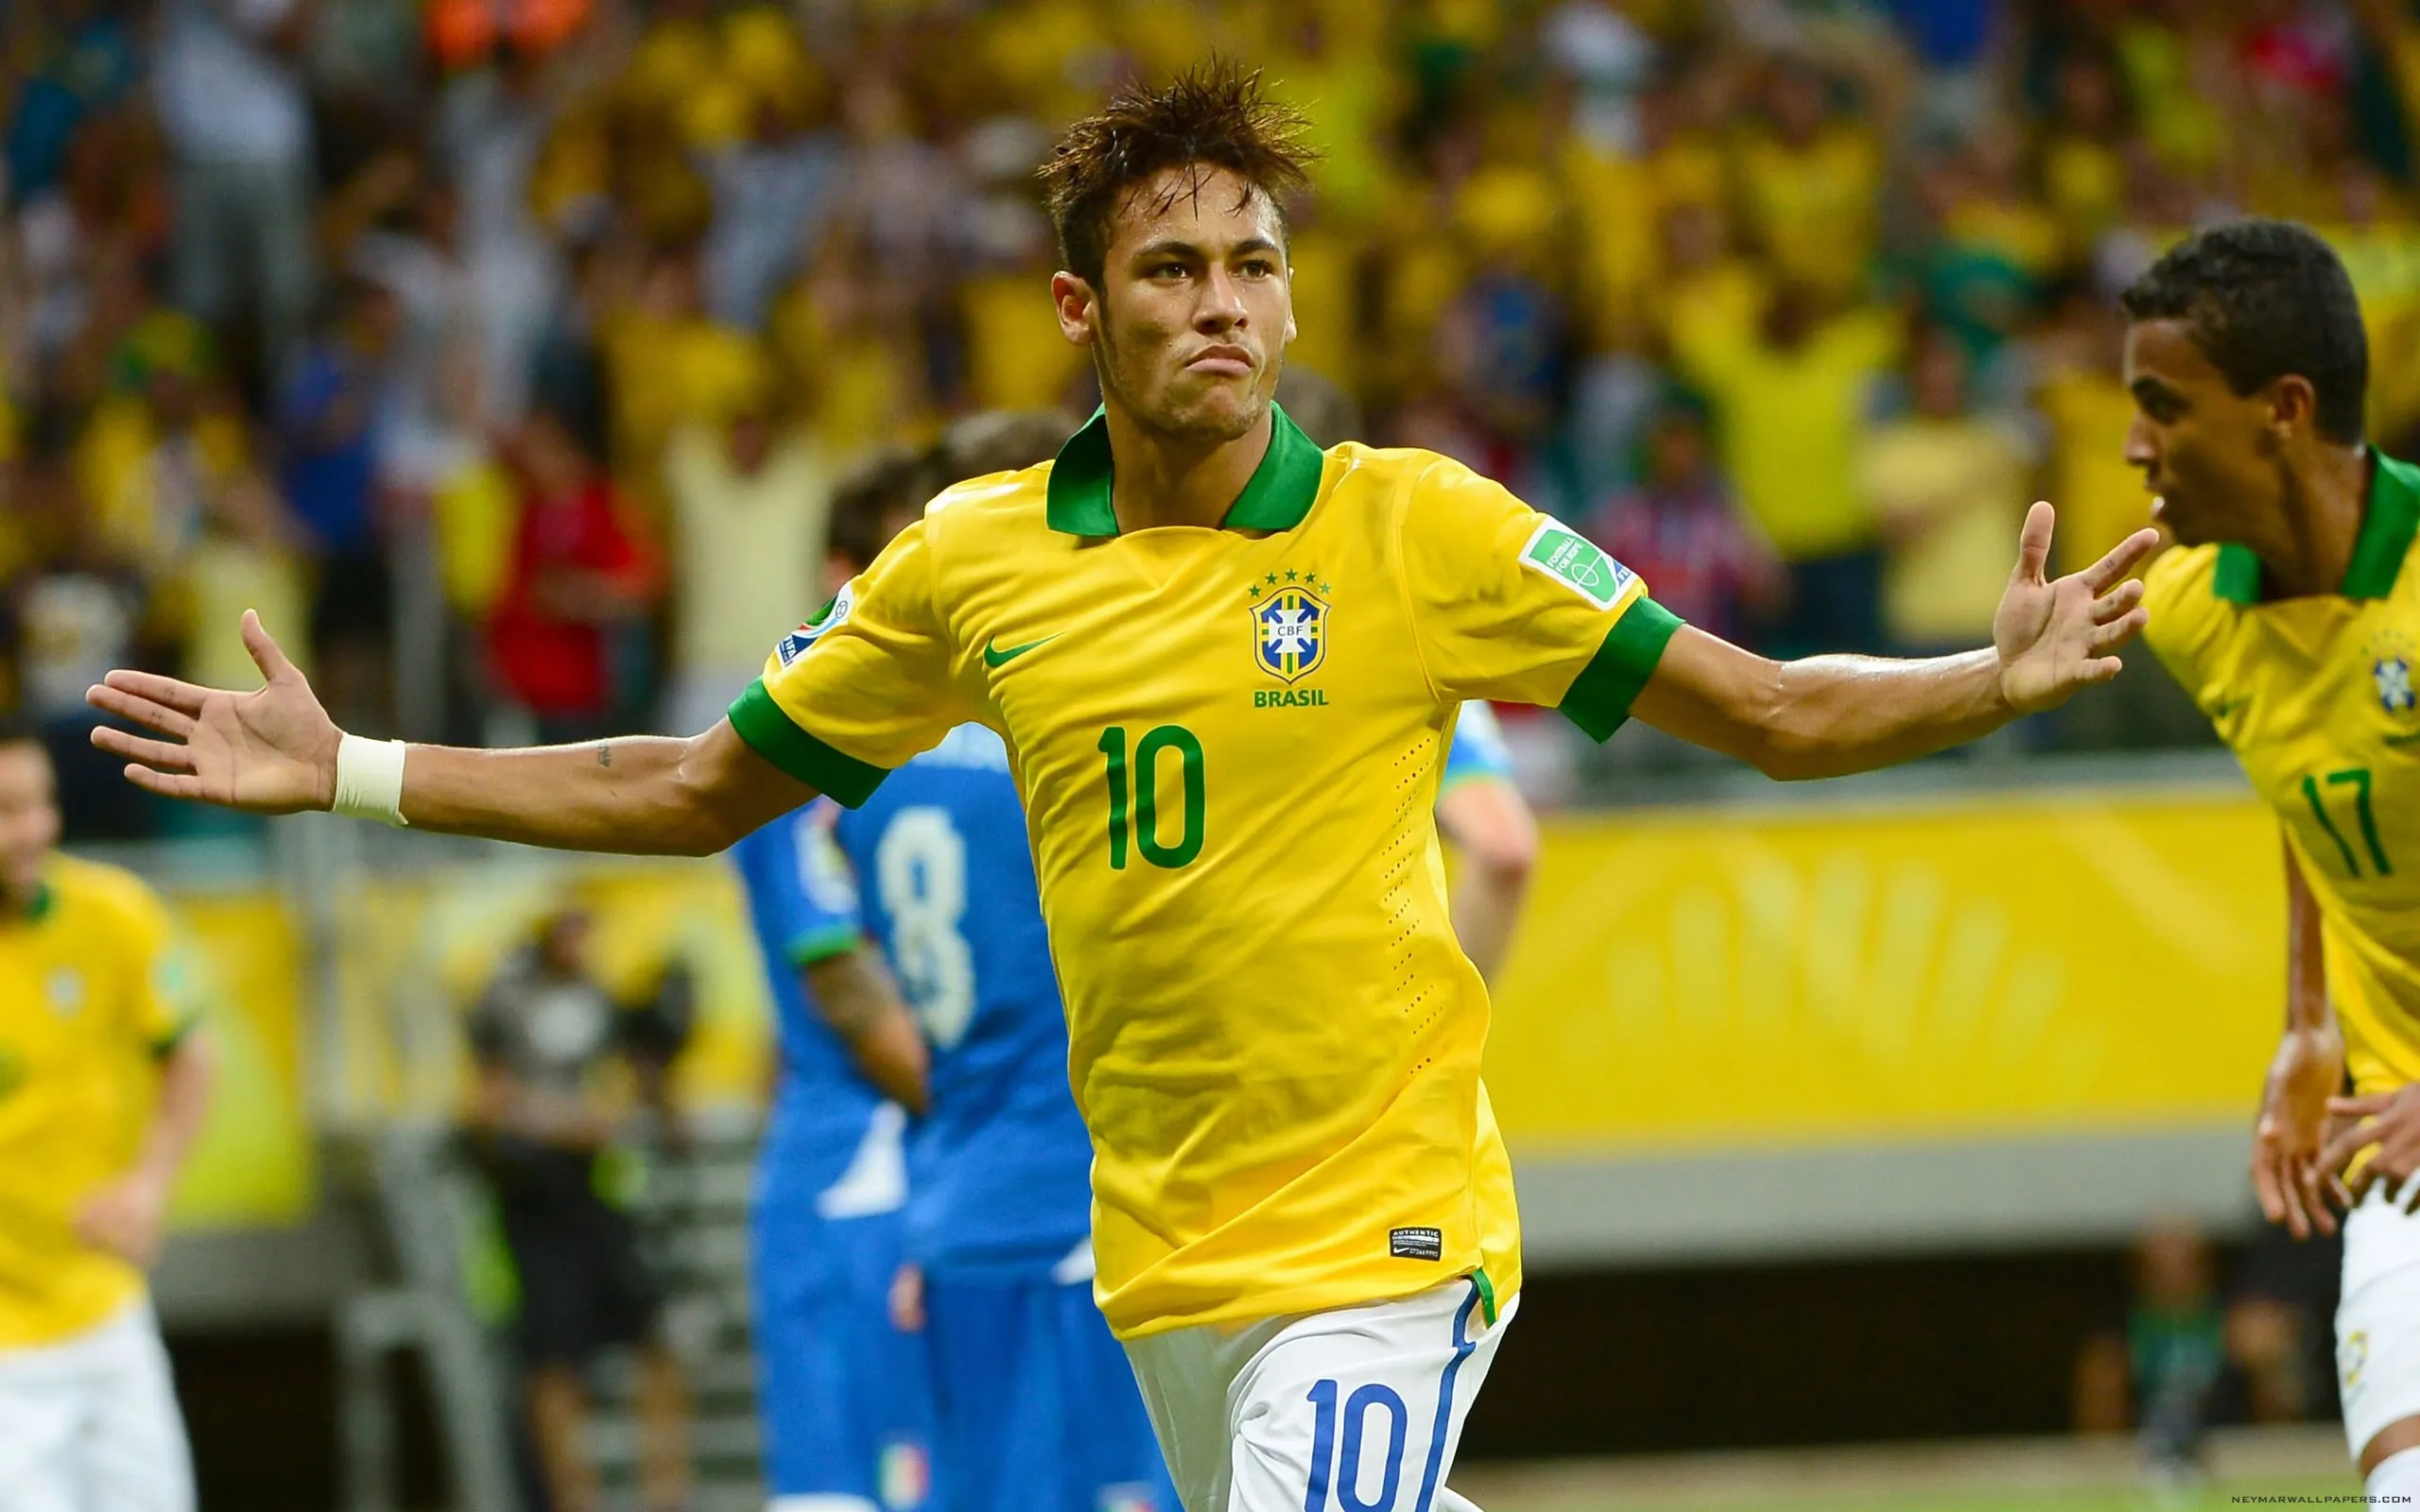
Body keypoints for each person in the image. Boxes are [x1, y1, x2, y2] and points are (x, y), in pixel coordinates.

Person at [89, 62, 2154, 1512]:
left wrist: (1994, 674)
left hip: (1383, 1233)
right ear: (1083, 309)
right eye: (1172, 273)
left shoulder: (1416, 527)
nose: (1224, 307)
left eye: (1253, 265)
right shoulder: (973, 561)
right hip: (1156, 1256)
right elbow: (698, 781)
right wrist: (356, 765)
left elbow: (1768, 706)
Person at [770, 416, 1177, 1512]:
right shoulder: (1063, 732)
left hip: (953, 1202)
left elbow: (837, 961)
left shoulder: (858, 761)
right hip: (1101, 1207)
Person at [2123, 218, 2420, 1502]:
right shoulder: (2195, 615)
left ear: (2283, 410)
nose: (2136, 444)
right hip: (2397, 1138)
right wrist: (2309, 1026)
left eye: (2163, 405)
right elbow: (2307, 786)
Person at [728, 455, 936, 1512]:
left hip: (898, 1171)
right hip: (864, 1177)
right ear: (842, 572)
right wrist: (998, 1108)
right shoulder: (806, 731)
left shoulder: (923, 724)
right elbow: (844, 989)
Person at [0, 719, 216, 1511]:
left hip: (105, 1315)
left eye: (39, 805)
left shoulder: (113, 913)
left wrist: (150, 1184)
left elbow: (192, 1052)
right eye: (6, 810)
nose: (33, 831)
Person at [465, 908, 690, 1512]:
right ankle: (574, 1500)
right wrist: (571, 1124)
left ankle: (665, 1495)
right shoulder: (506, 1004)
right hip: (534, 1199)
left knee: (656, 1337)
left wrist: (662, 1061)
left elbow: (648, 1102)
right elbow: (487, 1105)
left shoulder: (603, 1003)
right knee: (553, 1360)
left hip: (602, 1196)